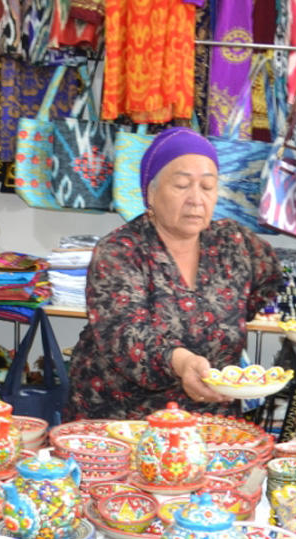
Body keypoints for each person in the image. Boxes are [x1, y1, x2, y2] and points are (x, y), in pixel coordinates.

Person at [65, 127, 283, 420]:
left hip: (210, 421)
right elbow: (128, 338)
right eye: (182, 185)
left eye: (207, 187)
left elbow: (272, 285)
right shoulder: (120, 251)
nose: (196, 199)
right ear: (151, 193)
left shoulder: (234, 243)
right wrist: (181, 362)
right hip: (126, 423)